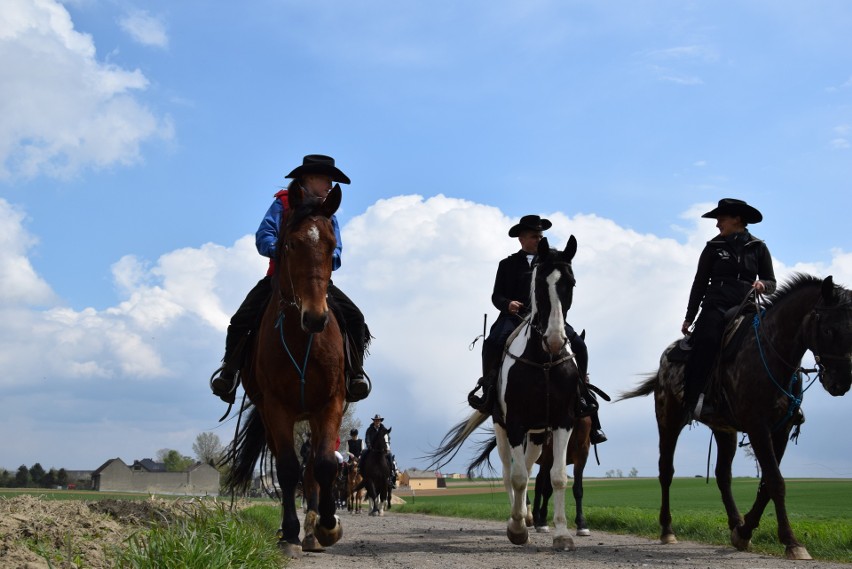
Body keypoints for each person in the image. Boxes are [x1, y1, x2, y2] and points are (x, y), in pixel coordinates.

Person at [209, 154, 371, 404]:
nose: (329, 186)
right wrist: (280, 250)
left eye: (330, 182)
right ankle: (229, 374)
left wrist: (330, 257)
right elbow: (265, 234)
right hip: (279, 279)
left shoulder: (329, 213)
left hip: (318, 282)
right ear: (308, 178)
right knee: (241, 320)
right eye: (325, 179)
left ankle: (354, 375)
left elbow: (336, 248)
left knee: (355, 318)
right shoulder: (282, 205)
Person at [467, 214, 607, 445]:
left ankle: (582, 392)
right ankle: (489, 389)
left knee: (579, 345)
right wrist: (507, 304)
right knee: (492, 342)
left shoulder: (550, 261)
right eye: (534, 236)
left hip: (545, 317)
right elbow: (496, 295)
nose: (538, 239)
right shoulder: (507, 264)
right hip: (515, 316)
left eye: (540, 236)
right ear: (521, 238)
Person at [681, 198, 776, 419]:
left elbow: (771, 281)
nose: (717, 225)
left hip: (747, 306)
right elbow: (699, 284)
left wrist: (763, 285)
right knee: (707, 342)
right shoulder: (713, 247)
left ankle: (783, 399)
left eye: (721, 219)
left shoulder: (758, 247)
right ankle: (693, 401)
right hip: (716, 306)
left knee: (773, 338)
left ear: (737, 219)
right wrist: (689, 317)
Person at [361, 414, 397, 488]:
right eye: (376, 420)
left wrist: (386, 446)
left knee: (390, 456)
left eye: (378, 420)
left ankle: (391, 475)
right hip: (372, 449)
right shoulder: (369, 429)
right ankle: (360, 470)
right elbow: (367, 438)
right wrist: (369, 445)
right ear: (374, 421)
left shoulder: (384, 430)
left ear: (380, 421)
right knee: (363, 453)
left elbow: (388, 439)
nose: (377, 421)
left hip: (382, 450)